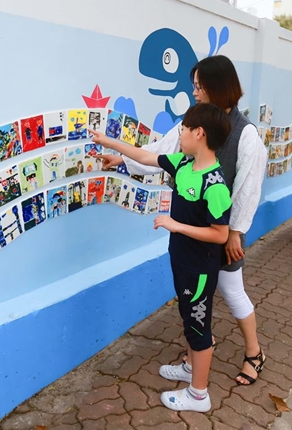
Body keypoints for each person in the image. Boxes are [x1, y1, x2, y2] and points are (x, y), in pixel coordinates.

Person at [97, 55, 267, 386]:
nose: (194, 92)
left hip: (221, 231)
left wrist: (236, 233)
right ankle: (195, 357)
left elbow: (249, 188)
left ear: (218, 87)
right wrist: (121, 159)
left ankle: (254, 352)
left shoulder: (246, 134)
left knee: (232, 291)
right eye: (194, 86)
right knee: (194, 299)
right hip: (193, 231)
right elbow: (159, 154)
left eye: (199, 86)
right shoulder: (192, 122)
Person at [89, 103, 232, 412]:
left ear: (199, 133)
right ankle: (191, 369)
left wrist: (176, 225)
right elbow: (144, 157)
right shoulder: (183, 164)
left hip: (200, 268)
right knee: (187, 315)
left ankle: (198, 395)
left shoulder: (215, 184)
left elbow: (220, 234)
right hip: (182, 260)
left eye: (182, 129)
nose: (178, 134)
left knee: (198, 326)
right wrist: (107, 141)